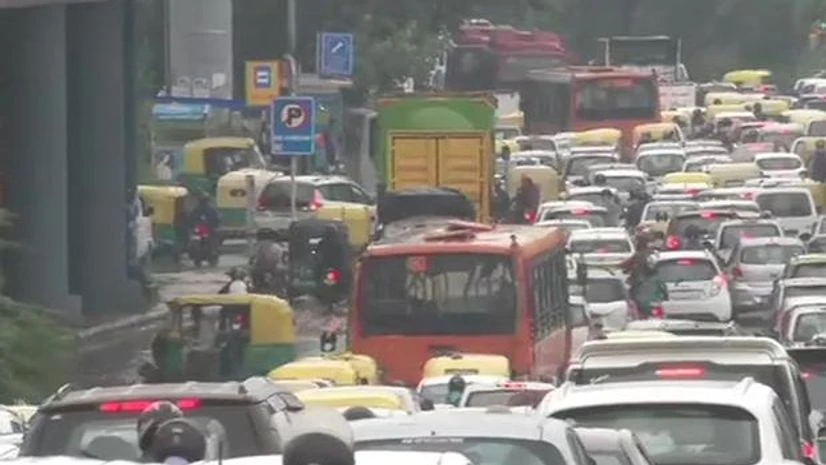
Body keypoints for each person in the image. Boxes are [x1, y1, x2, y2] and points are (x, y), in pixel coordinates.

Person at [250, 228, 288, 294]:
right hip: (272, 272)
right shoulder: (279, 247)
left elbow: (253, 260)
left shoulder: (257, 246)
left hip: (272, 273)